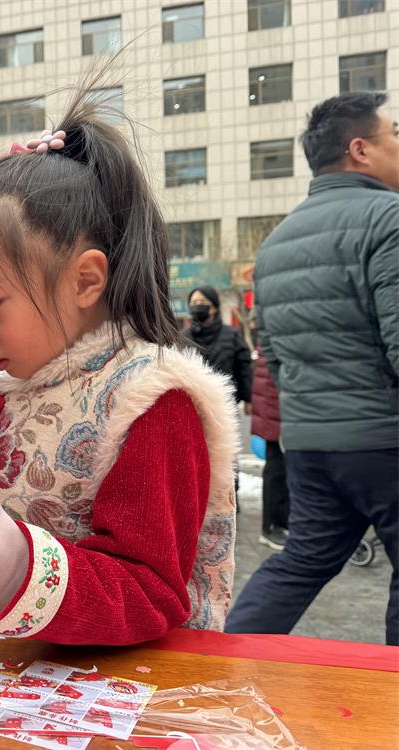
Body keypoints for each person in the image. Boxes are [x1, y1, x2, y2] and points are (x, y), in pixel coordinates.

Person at [0, 96, 239, 645]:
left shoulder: (151, 401)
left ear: (84, 281)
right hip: (2, 682)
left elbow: (150, 590)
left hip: (111, 701)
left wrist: (2, 565)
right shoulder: (6, 390)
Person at [226, 92, 398, 645]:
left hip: (309, 443)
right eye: (393, 133)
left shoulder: (275, 245)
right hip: (383, 439)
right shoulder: (388, 219)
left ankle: (219, 661)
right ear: (360, 150)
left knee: (302, 561)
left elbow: (273, 356)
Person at [183, 285, 253, 415]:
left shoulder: (232, 335)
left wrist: (248, 399)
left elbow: (244, 369)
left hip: (225, 407)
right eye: (194, 303)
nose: (198, 305)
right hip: (192, 408)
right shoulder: (183, 338)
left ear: (214, 307)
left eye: (203, 302)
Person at [250, 345, 290, 551]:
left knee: (283, 470)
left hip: (279, 409)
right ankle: (272, 526)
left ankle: (282, 522)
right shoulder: (277, 338)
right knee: (277, 470)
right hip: (278, 411)